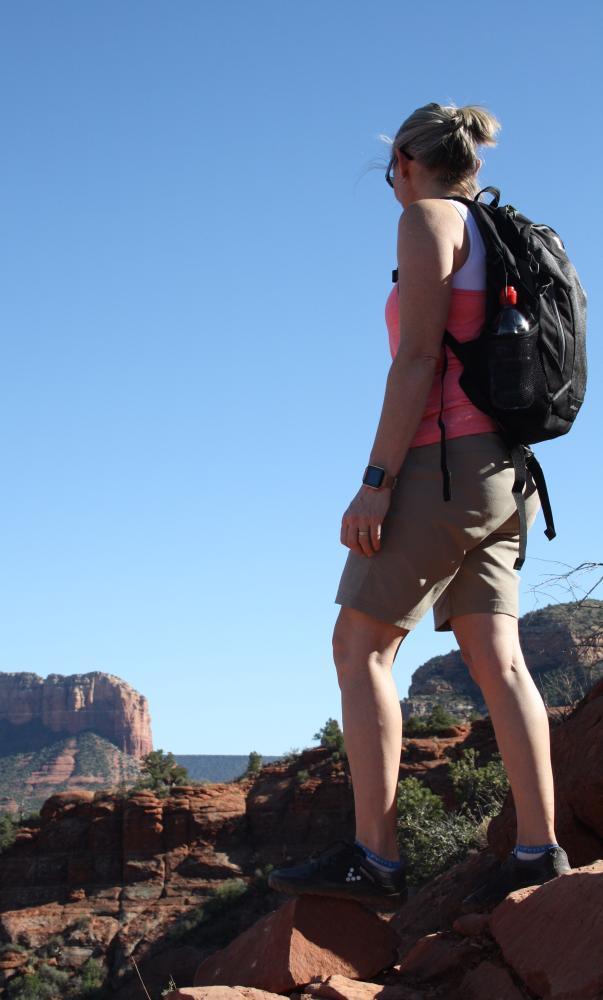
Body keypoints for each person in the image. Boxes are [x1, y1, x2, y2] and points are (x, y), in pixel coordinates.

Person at [268, 102, 572, 910]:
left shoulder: (428, 219)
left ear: (405, 161)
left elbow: (416, 358)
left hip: (443, 468)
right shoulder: (496, 227)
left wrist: (376, 479)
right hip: (507, 472)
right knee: (498, 659)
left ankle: (376, 857)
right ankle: (539, 852)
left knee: (360, 647)